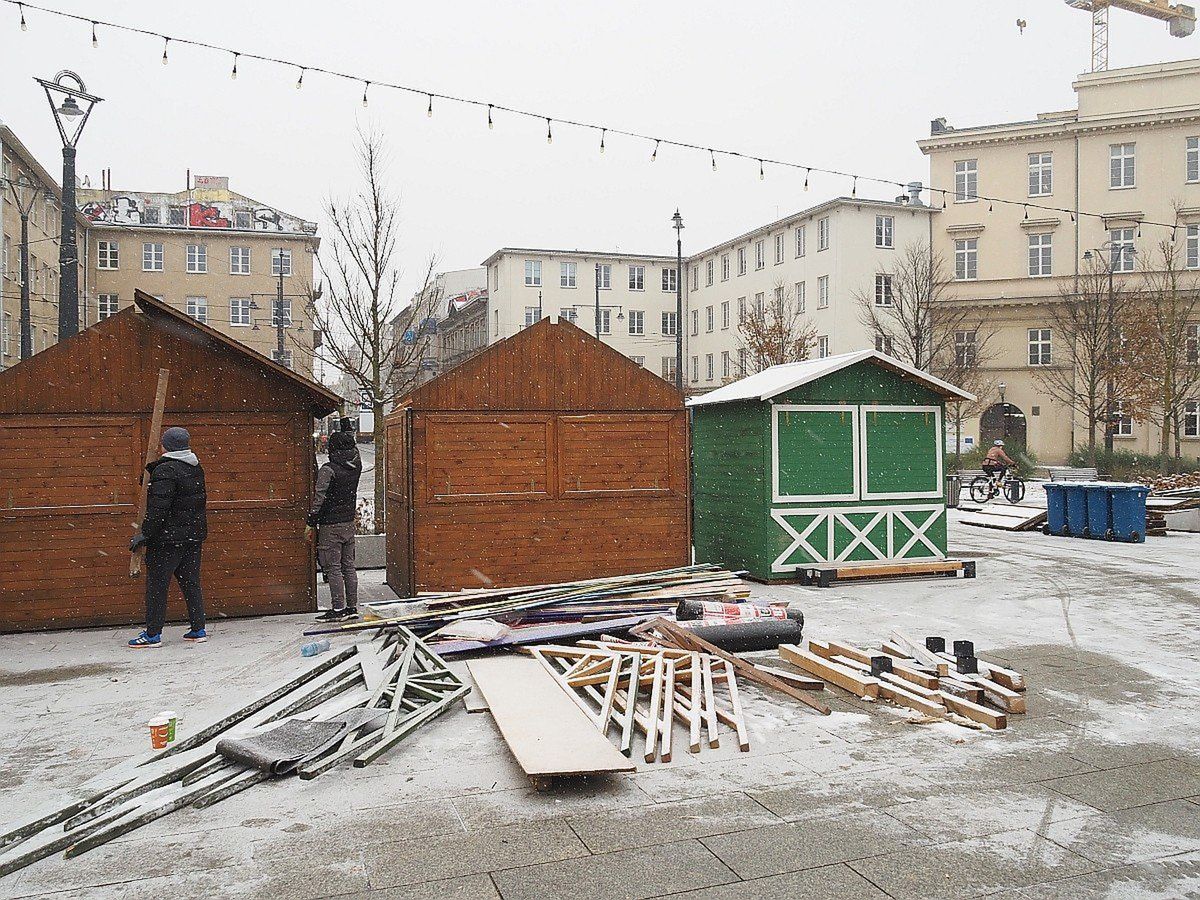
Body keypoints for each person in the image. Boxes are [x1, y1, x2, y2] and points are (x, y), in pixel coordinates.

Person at [128, 426, 208, 648]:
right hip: (192, 537)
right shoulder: (195, 467)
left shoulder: (166, 470)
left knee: (157, 586)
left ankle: (153, 634)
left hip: (167, 540)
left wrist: (145, 535)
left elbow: (158, 509)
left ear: (166, 446)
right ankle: (198, 628)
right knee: (191, 583)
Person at [308, 428, 363, 622]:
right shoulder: (356, 466)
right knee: (348, 566)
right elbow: (354, 448)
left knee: (333, 568)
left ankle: (338, 609)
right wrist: (346, 425)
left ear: (332, 448)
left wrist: (311, 520)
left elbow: (319, 498)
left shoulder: (328, 470)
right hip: (348, 523)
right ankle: (351, 607)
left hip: (330, 525)